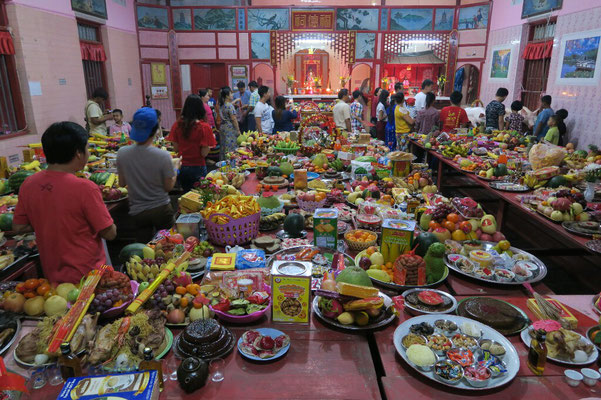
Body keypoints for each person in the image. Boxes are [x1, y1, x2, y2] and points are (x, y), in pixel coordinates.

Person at [13, 122, 116, 284]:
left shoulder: (28, 184)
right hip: (90, 278)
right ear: (78, 154)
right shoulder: (85, 188)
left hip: (52, 277)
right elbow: (109, 233)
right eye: (87, 148)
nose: (88, 153)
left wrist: (49, 221)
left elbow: (18, 227)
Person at [117, 108, 178, 243]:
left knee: (144, 250)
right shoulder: (163, 155)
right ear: (155, 129)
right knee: (169, 245)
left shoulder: (122, 153)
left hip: (137, 211)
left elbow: (121, 183)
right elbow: (168, 187)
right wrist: (176, 170)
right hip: (161, 209)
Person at [167, 95, 217, 192]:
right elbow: (204, 153)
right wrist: (209, 143)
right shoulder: (204, 127)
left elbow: (176, 149)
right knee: (199, 196)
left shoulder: (177, 125)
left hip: (182, 166)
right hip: (198, 166)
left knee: (186, 195)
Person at [218, 87, 241, 159]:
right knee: (231, 145)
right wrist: (238, 130)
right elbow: (233, 119)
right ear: (227, 96)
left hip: (223, 127)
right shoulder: (230, 106)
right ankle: (231, 162)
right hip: (230, 128)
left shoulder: (222, 104)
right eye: (231, 93)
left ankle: (223, 160)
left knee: (224, 145)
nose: (232, 95)